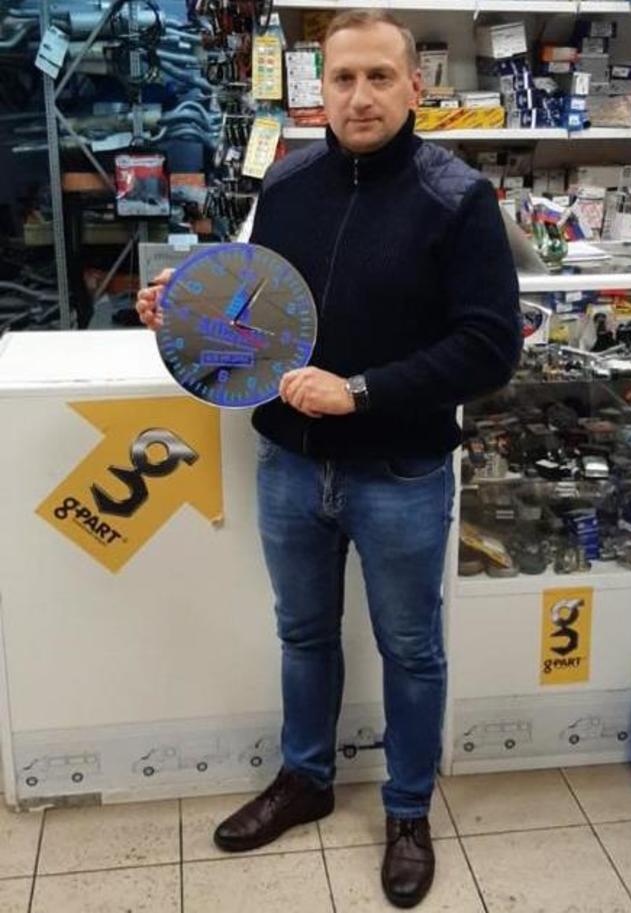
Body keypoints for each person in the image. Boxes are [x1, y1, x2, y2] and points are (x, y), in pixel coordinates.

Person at [137, 9, 520, 908]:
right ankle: (306, 778)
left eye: (379, 77)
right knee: (304, 634)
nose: (360, 96)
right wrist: (183, 304)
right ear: (321, 90)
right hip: (291, 464)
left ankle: (407, 811)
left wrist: (363, 391)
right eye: (343, 78)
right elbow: (258, 306)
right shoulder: (287, 181)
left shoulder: (457, 197)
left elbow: (490, 347)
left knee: (411, 648)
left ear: (414, 86)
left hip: (400, 471)